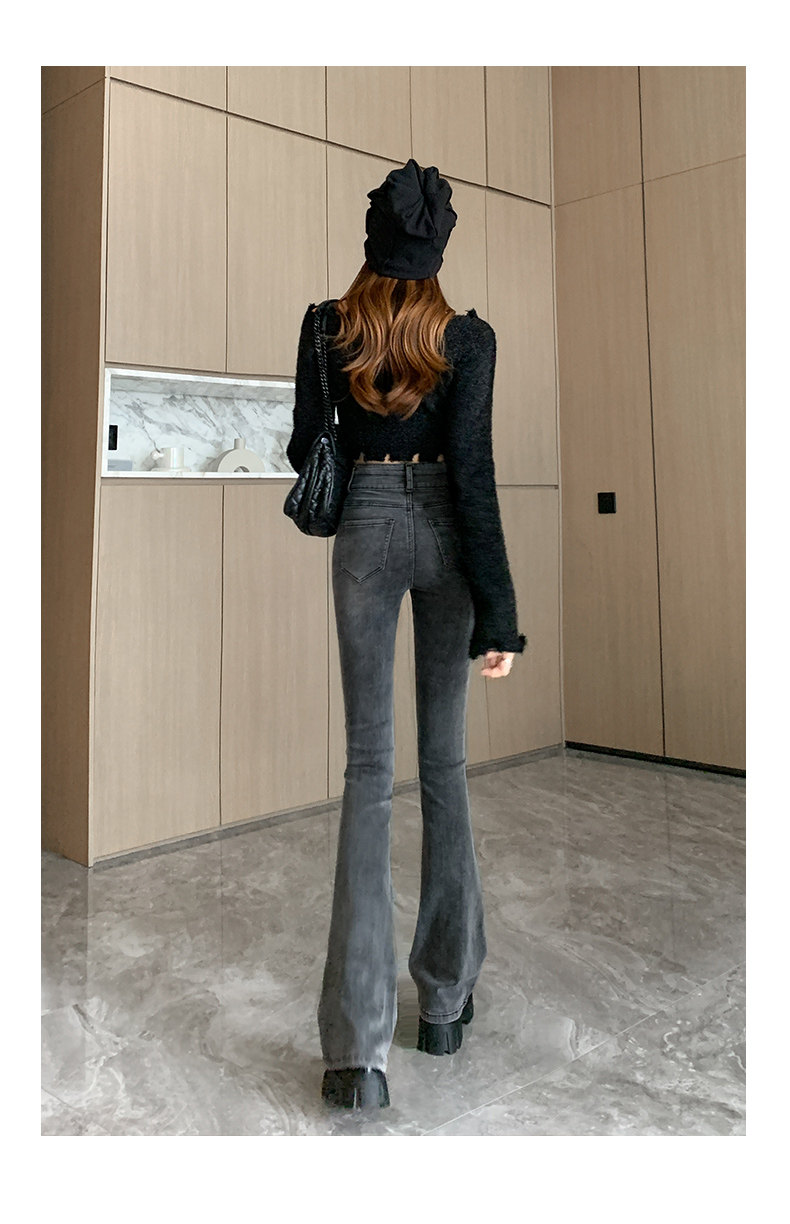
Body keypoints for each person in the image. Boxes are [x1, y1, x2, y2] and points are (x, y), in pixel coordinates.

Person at [286, 158, 527, 1111]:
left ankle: (357, 1053)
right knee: (445, 767)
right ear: (438, 250)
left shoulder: (327, 327)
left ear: (372, 239)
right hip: (449, 537)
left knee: (367, 770)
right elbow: (474, 471)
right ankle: (445, 1002)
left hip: (365, 527)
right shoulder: (469, 339)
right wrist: (499, 612)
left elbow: (307, 444)